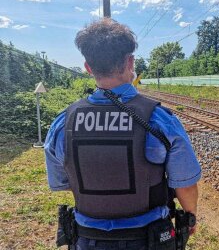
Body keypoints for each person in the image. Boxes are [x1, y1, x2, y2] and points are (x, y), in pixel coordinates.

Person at [44, 18, 201, 250]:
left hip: (88, 240)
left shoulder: (63, 123)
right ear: (130, 62)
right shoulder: (160, 120)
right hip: (149, 239)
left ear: (88, 67)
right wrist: (190, 217)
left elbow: (62, 182)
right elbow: (185, 185)